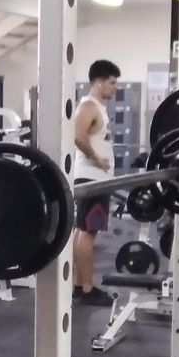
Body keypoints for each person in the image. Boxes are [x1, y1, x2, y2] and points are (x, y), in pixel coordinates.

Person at [72, 59, 120, 306]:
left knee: (84, 231)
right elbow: (77, 136)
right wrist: (96, 158)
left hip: (97, 179)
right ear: (99, 82)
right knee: (87, 232)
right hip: (92, 178)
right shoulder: (89, 106)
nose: (115, 87)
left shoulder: (97, 107)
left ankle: (78, 285)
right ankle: (87, 288)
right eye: (112, 83)